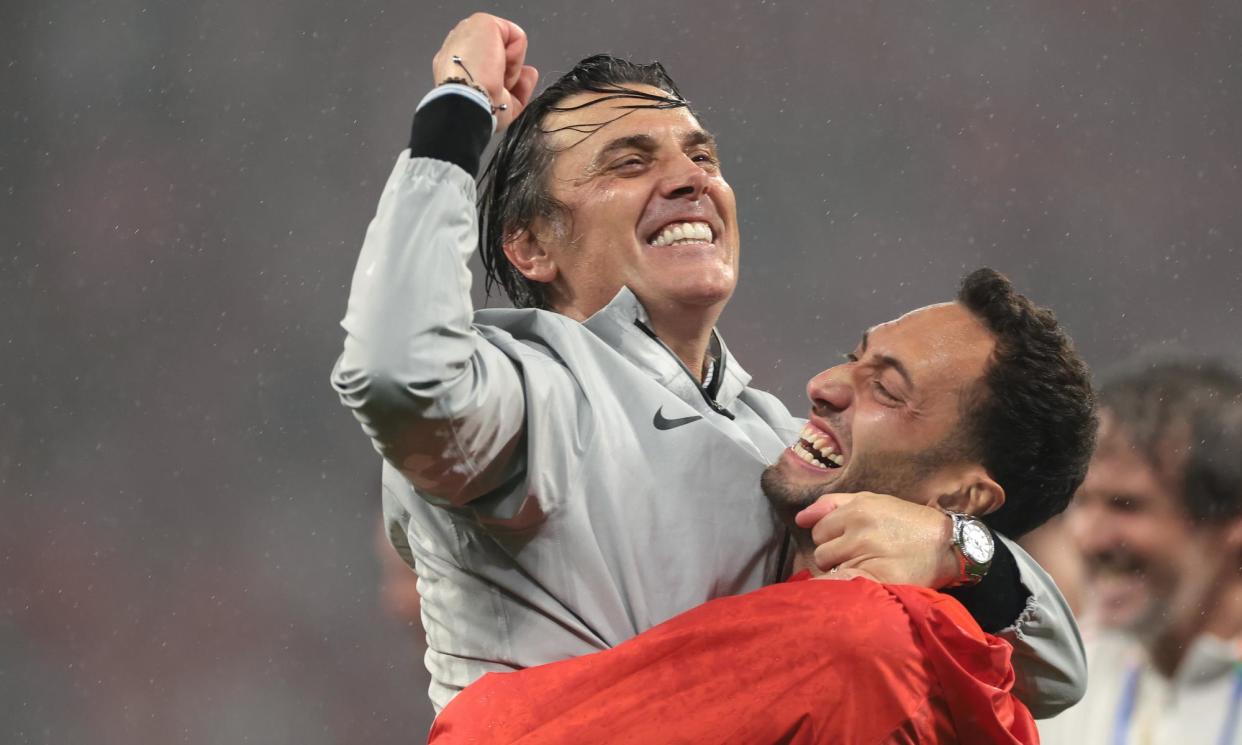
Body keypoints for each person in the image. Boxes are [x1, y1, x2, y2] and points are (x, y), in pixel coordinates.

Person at [331, 12, 1086, 715]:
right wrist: (458, 108)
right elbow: (400, 373)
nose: (690, 177)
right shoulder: (524, 396)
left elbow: (1054, 677)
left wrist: (961, 547)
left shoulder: (777, 444)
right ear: (532, 245)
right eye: (628, 161)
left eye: (701, 154)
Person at [428, 268, 1095, 744]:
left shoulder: (859, 642)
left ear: (964, 496)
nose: (825, 385)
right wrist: (962, 546)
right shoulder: (990, 698)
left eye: (886, 390)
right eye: (850, 358)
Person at [1039, 360, 1242, 745]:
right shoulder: (1054, 687)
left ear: (1232, 522)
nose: (1087, 539)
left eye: (1125, 505)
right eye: (1080, 502)